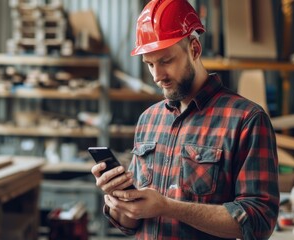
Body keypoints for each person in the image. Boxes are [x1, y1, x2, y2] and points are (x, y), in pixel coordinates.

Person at [91, 0, 280, 239]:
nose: (157, 76)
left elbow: (259, 221)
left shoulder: (246, 120)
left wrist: (169, 207)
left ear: (194, 49)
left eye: (166, 61)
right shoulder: (148, 119)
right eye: (149, 64)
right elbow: (130, 224)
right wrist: (120, 200)